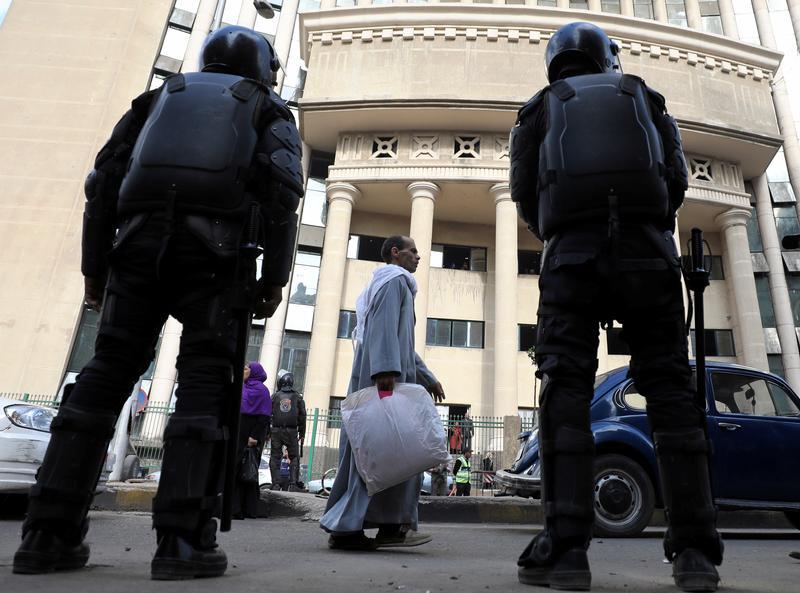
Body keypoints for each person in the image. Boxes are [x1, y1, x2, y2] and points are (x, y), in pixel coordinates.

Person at [12, 26, 302, 580]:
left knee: (104, 375)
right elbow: (284, 196)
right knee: (204, 386)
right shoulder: (268, 107)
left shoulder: (157, 99)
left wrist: (94, 269)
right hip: (217, 259)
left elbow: (103, 183)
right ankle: (183, 541)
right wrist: (275, 278)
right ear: (263, 68)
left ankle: (47, 532)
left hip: (136, 249)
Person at [509, 22, 722, 592]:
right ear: (608, 58)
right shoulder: (644, 98)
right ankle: (696, 552)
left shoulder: (537, 110)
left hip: (570, 260)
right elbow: (673, 182)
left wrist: (567, 230)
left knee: (565, 389)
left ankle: (567, 550)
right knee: (672, 392)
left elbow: (527, 197)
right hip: (650, 257)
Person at [320, 235, 446, 550]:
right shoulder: (394, 281)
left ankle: (392, 528)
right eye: (413, 250)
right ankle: (348, 529)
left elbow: (401, 340)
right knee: (376, 455)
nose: (419, 256)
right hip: (384, 380)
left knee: (392, 454)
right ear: (395, 253)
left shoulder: (393, 284)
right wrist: (386, 371)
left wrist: (426, 376)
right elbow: (384, 329)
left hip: (387, 374)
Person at [233, 362, 272, 519]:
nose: (244, 370)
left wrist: (254, 437)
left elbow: (264, 417)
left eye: (247, 368)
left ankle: (247, 509)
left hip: (251, 438)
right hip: (238, 434)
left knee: (248, 472)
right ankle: (236, 509)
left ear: (255, 372)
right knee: (236, 471)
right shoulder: (242, 387)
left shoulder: (262, 391)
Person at [270, 373, 306, 491]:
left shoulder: (274, 396)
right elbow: (302, 416)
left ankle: (275, 483)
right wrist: (302, 433)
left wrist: (267, 432)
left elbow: (268, 414)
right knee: (294, 457)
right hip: (291, 431)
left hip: (276, 430)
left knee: (275, 457)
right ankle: (293, 484)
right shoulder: (297, 397)